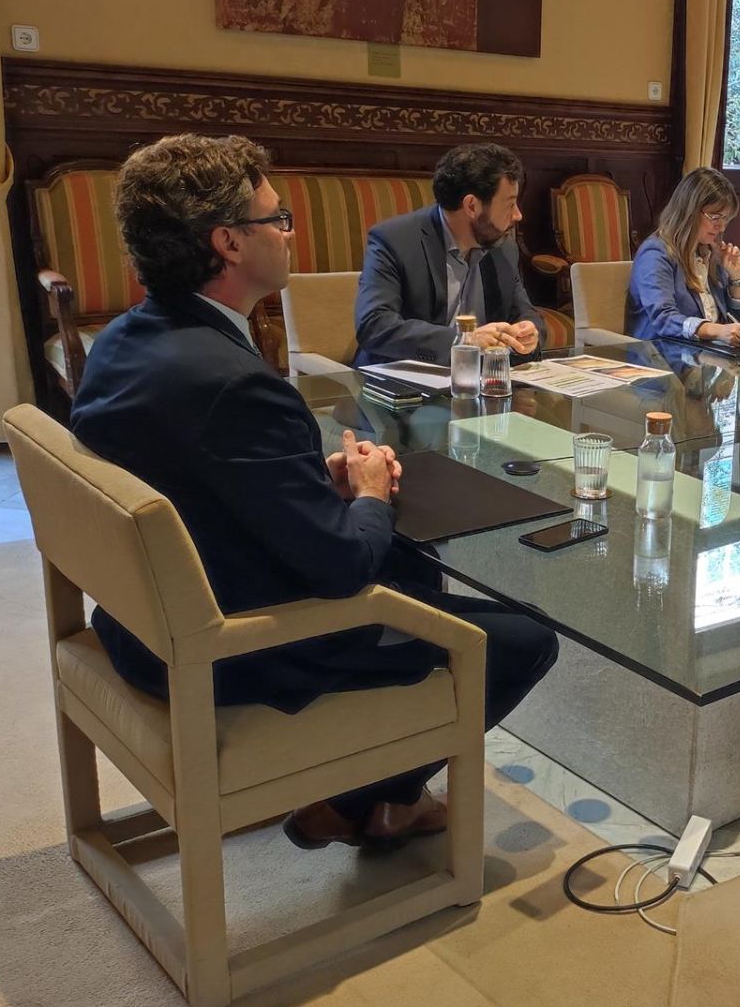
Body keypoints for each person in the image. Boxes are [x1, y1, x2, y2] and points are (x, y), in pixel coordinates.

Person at [72, 134, 558, 851]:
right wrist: (365, 493)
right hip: (226, 643)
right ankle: (359, 797)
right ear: (228, 243)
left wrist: (306, 479)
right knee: (524, 636)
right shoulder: (236, 384)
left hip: (136, 619)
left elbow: (200, 469)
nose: (292, 233)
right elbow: (341, 568)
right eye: (280, 219)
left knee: (420, 569)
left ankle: (390, 795)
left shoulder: (123, 339)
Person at [354, 143, 542, 366]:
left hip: (479, 383)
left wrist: (529, 333)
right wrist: (465, 340)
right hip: (404, 384)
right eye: (510, 204)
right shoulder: (395, 240)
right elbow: (375, 325)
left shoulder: (503, 246)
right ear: (472, 206)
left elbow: (525, 313)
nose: (518, 215)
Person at [626, 166, 740, 345]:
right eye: (715, 217)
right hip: (661, 357)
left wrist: (736, 277)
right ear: (689, 211)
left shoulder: (710, 252)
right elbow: (664, 318)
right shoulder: (655, 253)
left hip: (706, 356)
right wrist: (717, 330)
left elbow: (736, 320)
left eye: (726, 219)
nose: (721, 227)